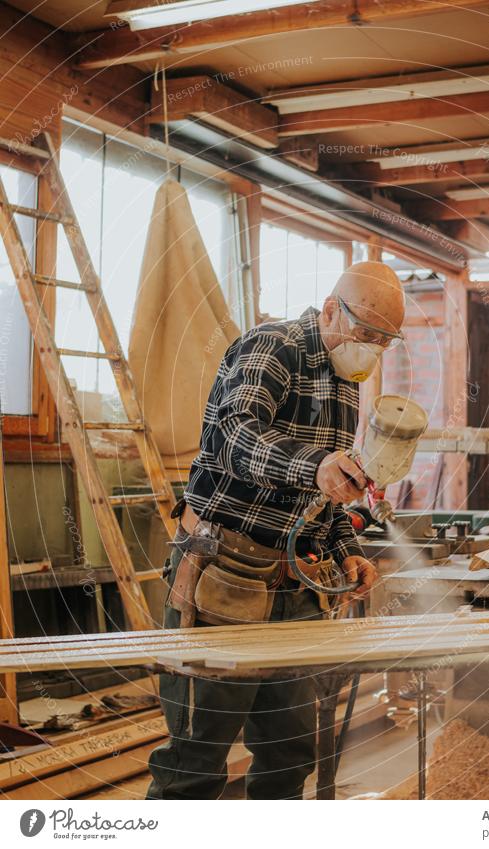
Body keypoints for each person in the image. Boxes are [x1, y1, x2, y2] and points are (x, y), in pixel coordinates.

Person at [147, 260, 406, 800]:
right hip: (227, 575)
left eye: (385, 340)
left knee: (289, 756)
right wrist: (315, 466)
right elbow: (238, 436)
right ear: (332, 309)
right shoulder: (274, 346)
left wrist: (347, 549)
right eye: (366, 333)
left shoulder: (346, 381)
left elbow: (326, 493)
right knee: (195, 760)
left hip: (297, 585)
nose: (373, 348)